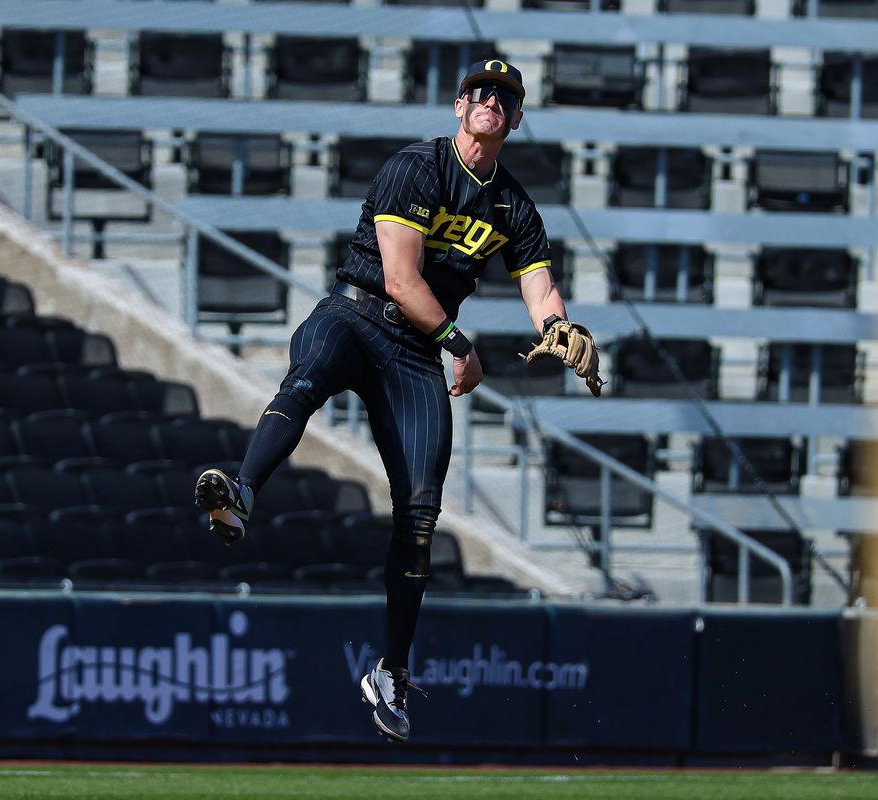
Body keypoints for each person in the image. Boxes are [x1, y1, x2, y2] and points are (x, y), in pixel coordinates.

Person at [194, 60, 599, 742]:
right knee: (307, 373)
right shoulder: (419, 168)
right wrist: (461, 346)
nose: (490, 100)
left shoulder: (513, 206)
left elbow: (539, 285)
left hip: (413, 355)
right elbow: (401, 279)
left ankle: (392, 672)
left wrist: (559, 326)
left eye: (505, 97)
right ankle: (241, 491)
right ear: (458, 104)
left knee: (420, 513)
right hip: (357, 314)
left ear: (518, 119)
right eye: (480, 91)